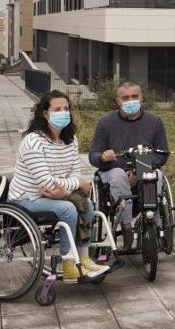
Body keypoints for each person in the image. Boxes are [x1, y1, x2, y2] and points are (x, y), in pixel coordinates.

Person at [8, 90, 108, 280]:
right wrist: (76, 185)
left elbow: (74, 172)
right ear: (45, 114)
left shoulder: (70, 140)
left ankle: (84, 259)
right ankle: (69, 264)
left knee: (87, 206)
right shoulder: (33, 141)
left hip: (55, 194)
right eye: (57, 109)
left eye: (66, 109)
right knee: (68, 209)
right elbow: (46, 182)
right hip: (28, 198)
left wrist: (65, 190)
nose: (64, 113)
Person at [88, 80, 169, 248]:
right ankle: (126, 226)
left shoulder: (154, 121)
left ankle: (152, 224)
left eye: (134, 96)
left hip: (145, 169)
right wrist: (103, 157)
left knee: (157, 175)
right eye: (125, 98)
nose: (130, 101)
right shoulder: (105, 123)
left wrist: (139, 169)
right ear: (118, 101)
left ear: (141, 97)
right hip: (114, 172)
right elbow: (93, 156)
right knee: (119, 176)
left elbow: (162, 154)